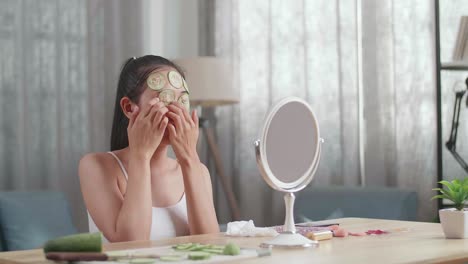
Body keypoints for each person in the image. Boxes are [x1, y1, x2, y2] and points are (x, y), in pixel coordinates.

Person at [79, 55, 219, 242]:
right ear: (129, 108)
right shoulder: (96, 166)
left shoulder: (199, 171)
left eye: (182, 100)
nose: (177, 111)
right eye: (165, 98)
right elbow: (131, 244)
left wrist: (189, 158)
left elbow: (211, 244)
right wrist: (141, 156)